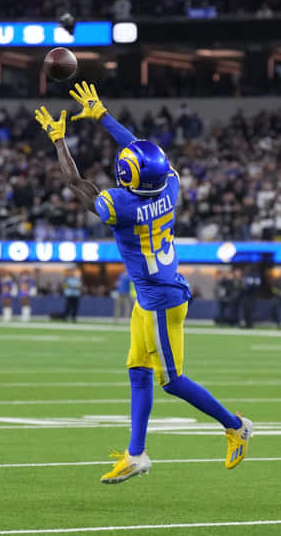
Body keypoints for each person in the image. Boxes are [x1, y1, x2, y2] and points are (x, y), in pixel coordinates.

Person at [35, 83, 252, 483]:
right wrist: (102, 115)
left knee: (172, 380)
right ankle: (136, 454)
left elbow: (77, 184)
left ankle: (235, 425)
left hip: (160, 300)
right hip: (155, 292)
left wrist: (59, 141)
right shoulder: (170, 184)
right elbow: (141, 149)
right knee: (137, 370)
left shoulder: (122, 206)